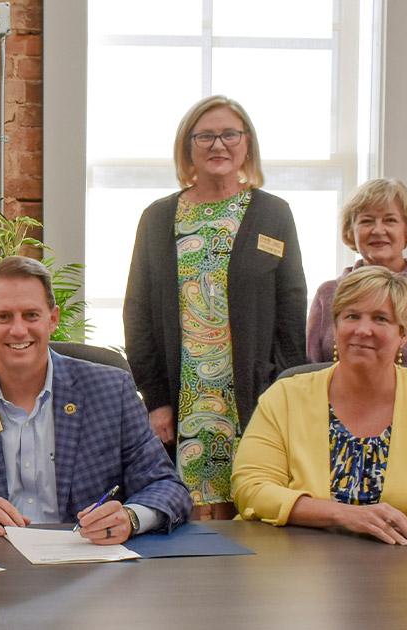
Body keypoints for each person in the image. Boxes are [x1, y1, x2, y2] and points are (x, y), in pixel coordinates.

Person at [0, 256, 190, 545]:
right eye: (3, 316)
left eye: (31, 315)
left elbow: (167, 487)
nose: (18, 330)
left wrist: (129, 518)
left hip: (88, 564)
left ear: (53, 319)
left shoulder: (110, 391)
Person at [123, 95, 307, 517]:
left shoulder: (273, 214)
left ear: (247, 145)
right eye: (205, 135)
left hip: (254, 397)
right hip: (182, 397)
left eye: (229, 134)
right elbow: (138, 312)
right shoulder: (158, 217)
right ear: (188, 147)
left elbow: (292, 308)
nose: (218, 145)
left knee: (253, 511)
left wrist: (286, 394)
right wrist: (156, 400)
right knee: (184, 517)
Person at [233, 266, 407, 545]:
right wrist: (342, 515)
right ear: (335, 327)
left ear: (403, 334)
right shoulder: (285, 396)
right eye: (352, 316)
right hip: (299, 567)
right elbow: (251, 487)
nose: (363, 329)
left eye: (381, 319)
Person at [307, 179, 407, 380]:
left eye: (390, 220)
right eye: (366, 221)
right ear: (350, 231)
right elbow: (311, 377)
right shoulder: (327, 293)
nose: (378, 230)